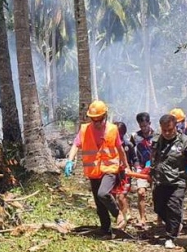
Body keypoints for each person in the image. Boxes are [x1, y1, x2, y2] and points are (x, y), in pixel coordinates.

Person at [65, 100, 126, 237]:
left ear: (105, 116)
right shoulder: (85, 129)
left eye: (100, 120)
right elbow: (76, 145)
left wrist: (125, 166)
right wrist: (70, 161)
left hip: (109, 169)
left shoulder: (112, 129)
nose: (97, 123)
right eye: (94, 120)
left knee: (103, 193)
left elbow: (120, 149)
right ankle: (106, 230)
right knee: (99, 204)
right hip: (93, 172)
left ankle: (118, 214)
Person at [151, 114, 187, 248]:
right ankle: (176, 224)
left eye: (169, 130)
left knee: (174, 208)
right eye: (164, 130)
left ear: (175, 127)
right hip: (160, 181)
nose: (166, 133)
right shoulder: (156, 140)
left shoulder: (184, 142)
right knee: (158, 207)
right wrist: (150, 172)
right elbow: (153, 156)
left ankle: (172, 236)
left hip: (177, 182)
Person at [110, 122, 136, 230]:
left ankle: (124, 219)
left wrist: (136, 168)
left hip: (125, 174)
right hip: (112, 173)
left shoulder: (128, 145)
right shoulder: (108, 144)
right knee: (112, 196)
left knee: (121, 196)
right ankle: (119, 216)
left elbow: (134, 159)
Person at [130, 112, 154, 229]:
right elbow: (129, 150)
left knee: (158, 194)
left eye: (145, 126)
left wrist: (152, 164)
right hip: (141, 168)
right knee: (141, 192)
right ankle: (142, 217)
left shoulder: (157, 135)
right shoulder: (135, 136)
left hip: (155, 169)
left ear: (149, 123)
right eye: (141, 126)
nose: (144, 128)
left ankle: (160, 218)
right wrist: (135, 165)